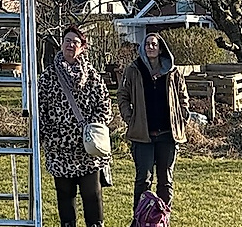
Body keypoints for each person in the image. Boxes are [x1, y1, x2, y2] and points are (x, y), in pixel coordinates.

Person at [38, 26, 112, 227]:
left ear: (82, 47)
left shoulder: (93, 76)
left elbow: (105, 105)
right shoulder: (48, 76)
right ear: (61, 44)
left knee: (92, 195)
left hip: (88, 149)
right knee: (65, 196)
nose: (70, 45)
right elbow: (40, 108)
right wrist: (50, 135)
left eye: (75, 42)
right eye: (67, 40)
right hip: (59, 148)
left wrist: (92, 129)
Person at [118, 32, 190, 212]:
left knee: (165, 181)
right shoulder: (133, 69)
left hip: (168, 135)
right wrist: (130, 118)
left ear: (160, 48)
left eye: (154, 44)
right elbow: (122, 96)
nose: (150, 47)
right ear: (143, 48)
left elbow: (183, 96)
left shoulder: (172, 71)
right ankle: (141, 219)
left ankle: (162, 219)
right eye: (147, 44)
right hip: (143, 135)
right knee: (144, 180)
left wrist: (182, 117)